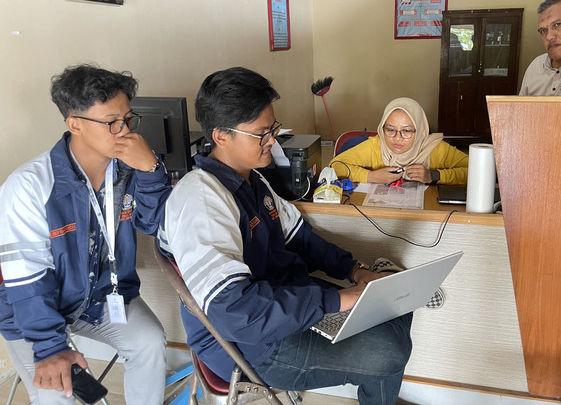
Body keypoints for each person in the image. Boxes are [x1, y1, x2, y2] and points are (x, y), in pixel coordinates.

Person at [159, 67, 413, 404]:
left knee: (395, 299)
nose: (272, 142)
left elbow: (301, 240)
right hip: (253, 345)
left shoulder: (252, 180)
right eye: (261, 134)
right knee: (390, 351)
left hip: (284, 303)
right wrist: (340, 300)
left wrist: (355, 272)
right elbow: (238, 313)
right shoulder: (201, 200)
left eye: (273, 129)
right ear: (221, 136)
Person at [0, 65, 171, 404]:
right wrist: (50, 347)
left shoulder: (129, 167)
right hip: (33, 313)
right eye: (111, 122)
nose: (124, 131)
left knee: (149, 342)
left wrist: (151, 169)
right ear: (74, 124)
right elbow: (27, 279)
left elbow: (154, 224)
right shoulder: (30, 186)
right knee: (57, 394)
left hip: (103, 297)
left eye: (128, 119)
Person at [329, 97, 468, 186]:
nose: (397, 138)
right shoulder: (376, 146)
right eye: (390, 130)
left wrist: (434, 175)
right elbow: (334, 166)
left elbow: (478, 172)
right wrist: (371, 176)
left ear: (420, 131)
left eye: (407, 131)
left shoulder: (436, 149)